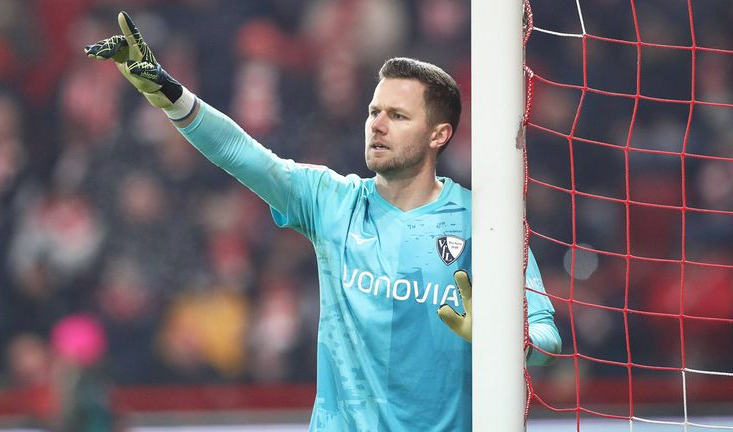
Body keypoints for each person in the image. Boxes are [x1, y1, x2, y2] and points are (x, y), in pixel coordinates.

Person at [85, 11, 561, 431]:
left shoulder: (485, 223)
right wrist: (171, 95)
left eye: (397, 115)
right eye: (375, 111)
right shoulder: (332, 201)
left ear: (439, 134)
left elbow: (547, 334)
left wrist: (503, 337)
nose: (377, 124)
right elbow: (242, 154)